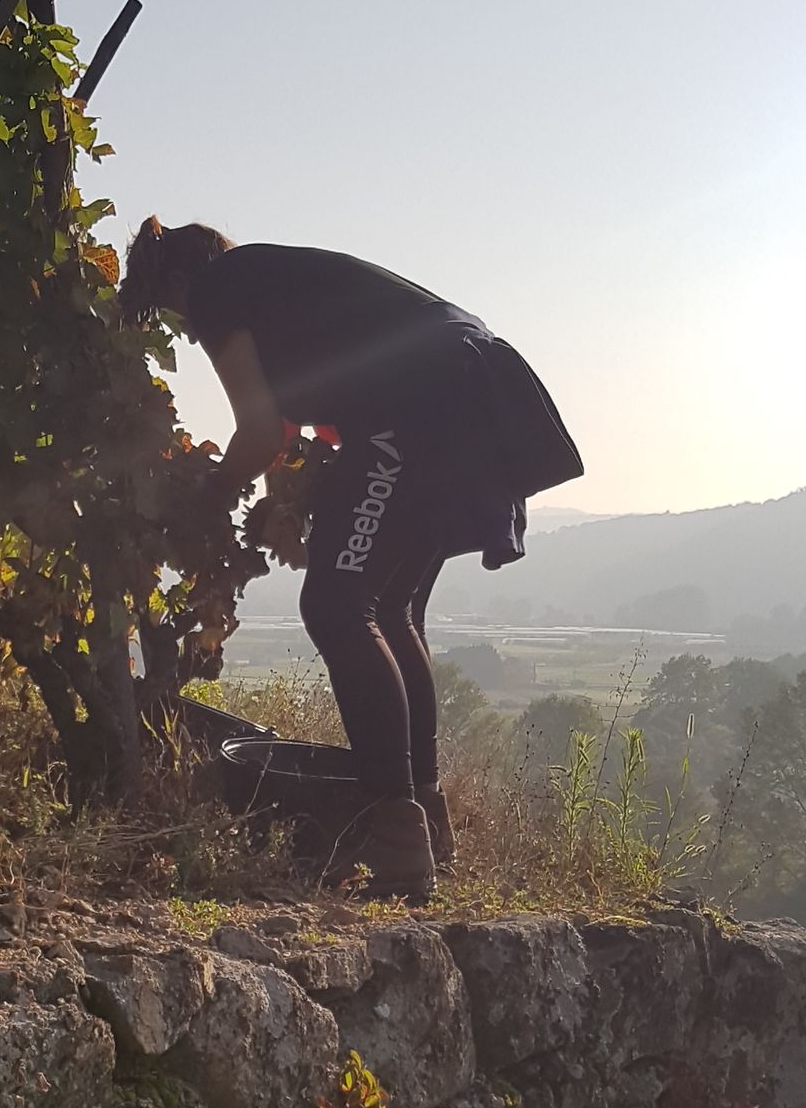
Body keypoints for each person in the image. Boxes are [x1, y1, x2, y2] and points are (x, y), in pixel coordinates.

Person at [120, 221, 583, 899]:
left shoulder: (221, 290)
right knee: (390, 608)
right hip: (470, 394)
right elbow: (298, 432)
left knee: (337, 609)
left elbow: (261, 429)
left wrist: (207, 497)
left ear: (179, 283)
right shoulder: (283, 290)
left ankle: (396, 834)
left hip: (424, 406)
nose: (191, 336)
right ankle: (423, 824)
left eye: (176, 318)